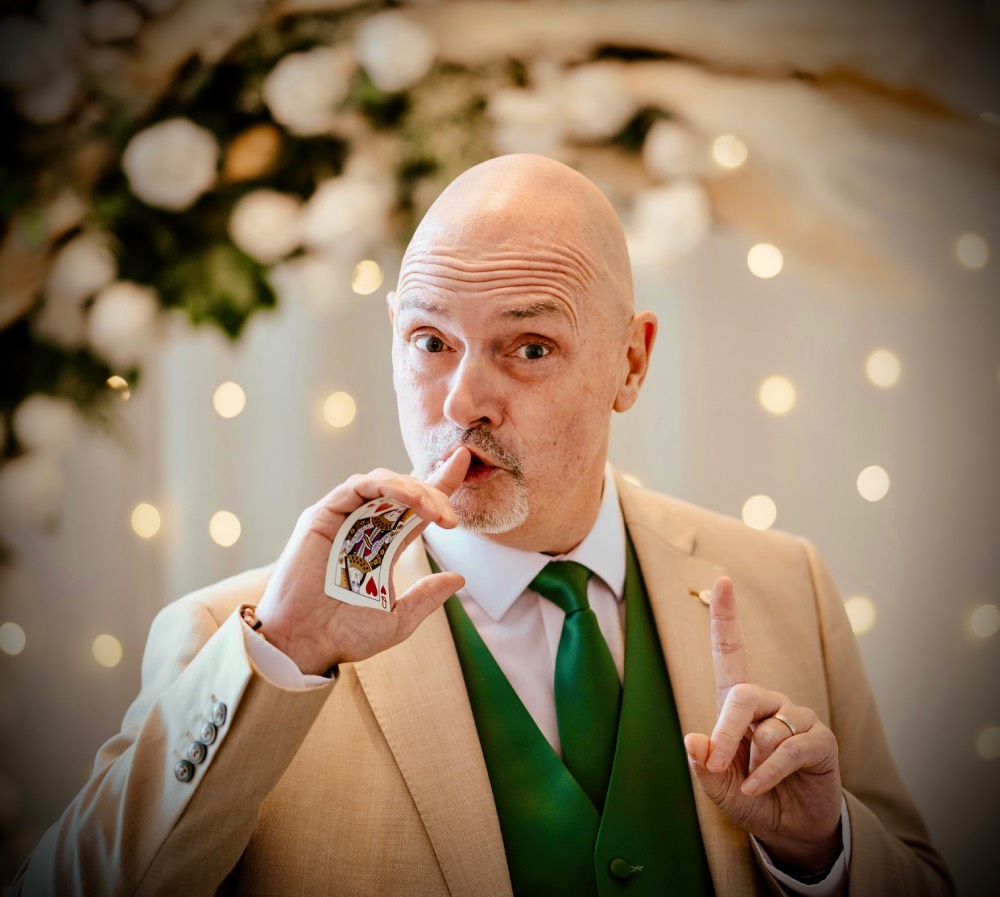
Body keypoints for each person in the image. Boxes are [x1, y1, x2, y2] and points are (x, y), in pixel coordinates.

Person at [14, 154, 952, 897]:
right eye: (430, 341)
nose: (463, 400)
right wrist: (284, 652)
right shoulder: (244, 638)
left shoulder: (789, 585)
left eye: (529, 346)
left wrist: (822, 852)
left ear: (630, 362)